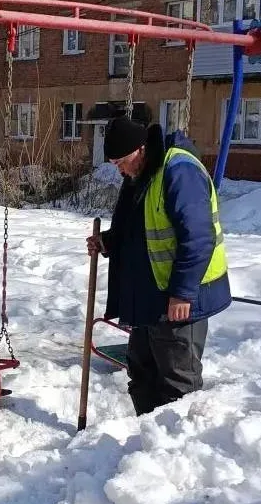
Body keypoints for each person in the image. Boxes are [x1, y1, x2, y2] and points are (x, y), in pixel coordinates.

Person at [87, 115, 231, 415]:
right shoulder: (143, 173)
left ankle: (176, 452)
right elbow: (142, 226)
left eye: (121, 161)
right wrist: (109, 241)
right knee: (141, 374)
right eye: (114, 164)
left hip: (179, 300)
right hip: (149, 298)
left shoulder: (179, 171)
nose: (120, 170)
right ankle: (147, 443)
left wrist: (182, 292)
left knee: (177, 384)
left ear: (140, 149)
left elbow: (199, 237)